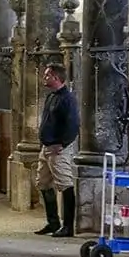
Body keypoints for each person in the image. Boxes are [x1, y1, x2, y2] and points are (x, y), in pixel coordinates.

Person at [34, 62, 80, 238]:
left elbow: (74, 124)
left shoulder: (67, 99)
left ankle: (68, 226)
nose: (44, 78)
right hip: (46, 147)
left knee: (65, 184)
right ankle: (53, 222)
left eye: (47, 75)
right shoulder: (51, 96)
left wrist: (62, 143)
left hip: (58, 149)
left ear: (55, 77)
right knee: (43, 183)